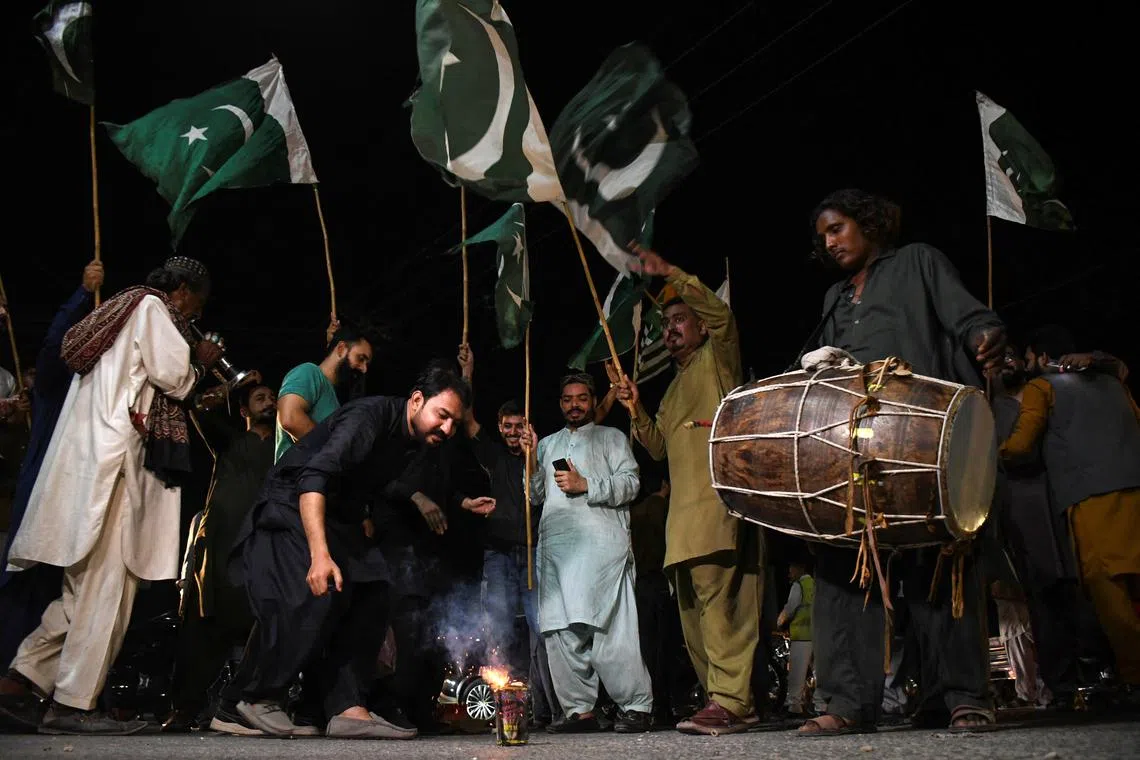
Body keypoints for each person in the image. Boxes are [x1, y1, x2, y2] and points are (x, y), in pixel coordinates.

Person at [797, 189, 1006, 735]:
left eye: (838, 228)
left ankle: (960, 696)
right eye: (823, 236)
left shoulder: (917, 261)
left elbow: (968, 316)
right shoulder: (834, 298)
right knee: (844, 563)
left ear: (868, 224)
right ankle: (848, 702)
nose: (830, 242)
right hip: (854, 449)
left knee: (938, 564)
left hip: (921, 438)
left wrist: (984, 335)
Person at [0, 256, 223, 735]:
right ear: (183, 289)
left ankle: (21, 680)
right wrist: (201, 362)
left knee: (81, 590)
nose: (195, 316)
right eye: (197, 304)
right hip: (117, 470)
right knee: (109, 591)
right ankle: (73, 705)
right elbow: (175, 377)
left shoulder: (122, 311)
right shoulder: (152, 309)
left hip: (91, 465)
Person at [221, 362, 472, 739]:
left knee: (376, 587)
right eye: (442, 415)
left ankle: (344, 706)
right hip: (292, 504)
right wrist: (320, 556)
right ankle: (247, 699)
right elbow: (314, 478)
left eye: (454, 421)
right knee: (315, 592)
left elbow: (381, 484)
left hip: (340, 517)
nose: (447, 428)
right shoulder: (368, 418)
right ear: (417, 399)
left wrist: (456, 502)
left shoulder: (413, 442)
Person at [616, 244, 764, 735]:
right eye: (666, 323)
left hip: (716, 509)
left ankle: (731, 701)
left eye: (680, 320)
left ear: (701, 327)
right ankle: (725, 699)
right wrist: (635, 407)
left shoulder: (718, 360)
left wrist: (672, 274)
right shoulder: (674, 387)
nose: (670, 329)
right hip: (681, 524)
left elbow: (723, 319)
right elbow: (657, 448)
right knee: (693, 617)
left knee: (720, 612)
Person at [999, 325, 1140, 701]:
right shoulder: (1114, 382)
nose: (1027, 363)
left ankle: (1134, 674)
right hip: (1134, 486)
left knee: (1105, 584)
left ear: (1043, 358)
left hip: (1090, 495)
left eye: (1029, 357)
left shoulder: (1042, 387)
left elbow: (1021, 445)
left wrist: (991, 454)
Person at [526, 372, 651, 734]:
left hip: (602, 551)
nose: (575, 405)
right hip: (557, 553)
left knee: (611, 629)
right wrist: (530, 456)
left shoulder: (611, 438)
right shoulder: (547, 444)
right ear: (560, 404)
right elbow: (535, 494)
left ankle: (636, 706)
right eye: (567, 399)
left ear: (593, 400)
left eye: (581, 398)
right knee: (561, 631)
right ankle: (579, 711)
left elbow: (631, 483)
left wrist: (586, 484)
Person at [163, 382, 277, 731]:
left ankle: (243, 708)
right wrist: (233, 384)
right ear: (243, 410)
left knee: (262, 625)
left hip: (259, 548)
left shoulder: (283, 447)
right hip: (218, 548)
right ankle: (185, 709)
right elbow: (198, 408)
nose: (269, 403)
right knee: (203, 626)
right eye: (260, 398)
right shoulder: (229, 440)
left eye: (273, 398)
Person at [456, 343, 560, 725]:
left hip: (533, 552)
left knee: (541, 629)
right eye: (508, 426)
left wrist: (533, 453)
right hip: (499, 553)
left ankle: (546, 710)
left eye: (520, 426)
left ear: (528, 426)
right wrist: (467, 373)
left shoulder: (541, 453)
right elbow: (466, 417)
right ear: (500, 427)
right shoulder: (493, 454)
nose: (514, 432)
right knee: (499, 629)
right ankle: (503, 712)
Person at [275, 323, 373, 462]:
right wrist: (334, 451)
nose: (364, 369)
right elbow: (290, 419)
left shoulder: (335, 399)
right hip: (296, 475)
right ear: (341, 349)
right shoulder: (308, 372)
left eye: (367, 364)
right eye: (360, 358)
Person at [776, 560, 823, 716]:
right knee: (819, 672)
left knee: (797, 673)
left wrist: (779, 622)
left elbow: (790, 607)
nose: (789, 573)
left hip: (802, 636)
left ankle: (794, 706)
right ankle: (821, 705)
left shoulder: (799, 585)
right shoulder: (816, 584)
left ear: (800, 568)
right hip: (818, 634)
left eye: (791, 569)